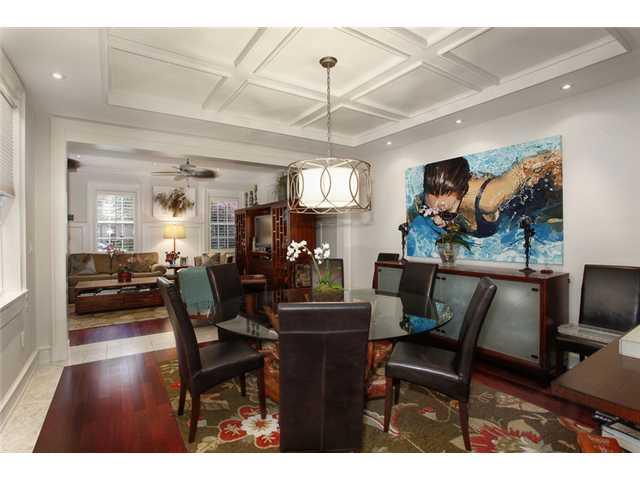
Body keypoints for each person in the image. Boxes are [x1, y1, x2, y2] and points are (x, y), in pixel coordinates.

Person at [414, 149, 562, 238]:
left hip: (536, 198)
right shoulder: (428, 198)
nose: (436, 221)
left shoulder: (489, 199)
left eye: (445, 213)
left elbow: (530, 165)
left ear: (460, 193)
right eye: (430, 212)